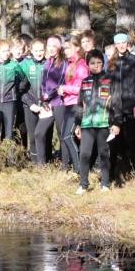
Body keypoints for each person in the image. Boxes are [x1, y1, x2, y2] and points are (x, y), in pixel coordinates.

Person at [74, 49, 122, 194]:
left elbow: (117, 103)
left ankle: (105, 184)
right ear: (88, 65)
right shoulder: (85, 82)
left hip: (104, 124)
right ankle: (83, 184)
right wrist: (77, 123)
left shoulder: (110, 80)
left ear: (103, 63)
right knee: (84, 154)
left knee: (104, 154)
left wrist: (117, 123)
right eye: (92, 63)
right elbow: (79, 105)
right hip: (87, 124)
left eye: (99, 63)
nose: (96, 65)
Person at [107, 32, 135, 178]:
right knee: (117, 139)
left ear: (127, 43)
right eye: (118, 43)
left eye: (124, 42)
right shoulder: (111, 62)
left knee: (132, 138)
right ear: (115, 45)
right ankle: (122, 168)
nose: (121, 45)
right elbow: (107, 85)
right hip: (115, 107)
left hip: (132, 106)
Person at [33, 36, 67, 166]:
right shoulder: (48, 62)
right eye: (49, 46)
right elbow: (43, 83)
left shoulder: (63, 62)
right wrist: (43, 97)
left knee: (61, 135)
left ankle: (65, 165)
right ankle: (41, 166)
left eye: (54, 46)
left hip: (59, 103)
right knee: (38, 133)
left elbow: (62, 82)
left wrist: (49, 96)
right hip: (47, 104)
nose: (51, 49)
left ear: (59, 47)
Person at [58, 36, 89, 173]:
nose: (66, 51)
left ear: (77, 48)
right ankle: (78, 169)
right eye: (64, 48)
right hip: (69, 103)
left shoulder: (81, 65)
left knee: (68, 136)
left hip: (76, 105)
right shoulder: (71, 63)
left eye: (68, 48)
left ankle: (79, 170)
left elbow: (83, 88)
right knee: (68, 137)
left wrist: (64, 89)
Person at [18, 39, 46, 162]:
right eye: (36, 50)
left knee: (45, 136)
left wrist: (47, 102)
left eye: (41, 50)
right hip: (30, 106)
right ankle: (35, 164)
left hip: (46, 106)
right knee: (33, 136)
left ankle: (46, 162)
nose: (39, 53)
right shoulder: (25, 64)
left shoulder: (49, 64)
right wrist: (30, 104)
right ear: (31, 51)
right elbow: (20, 89)